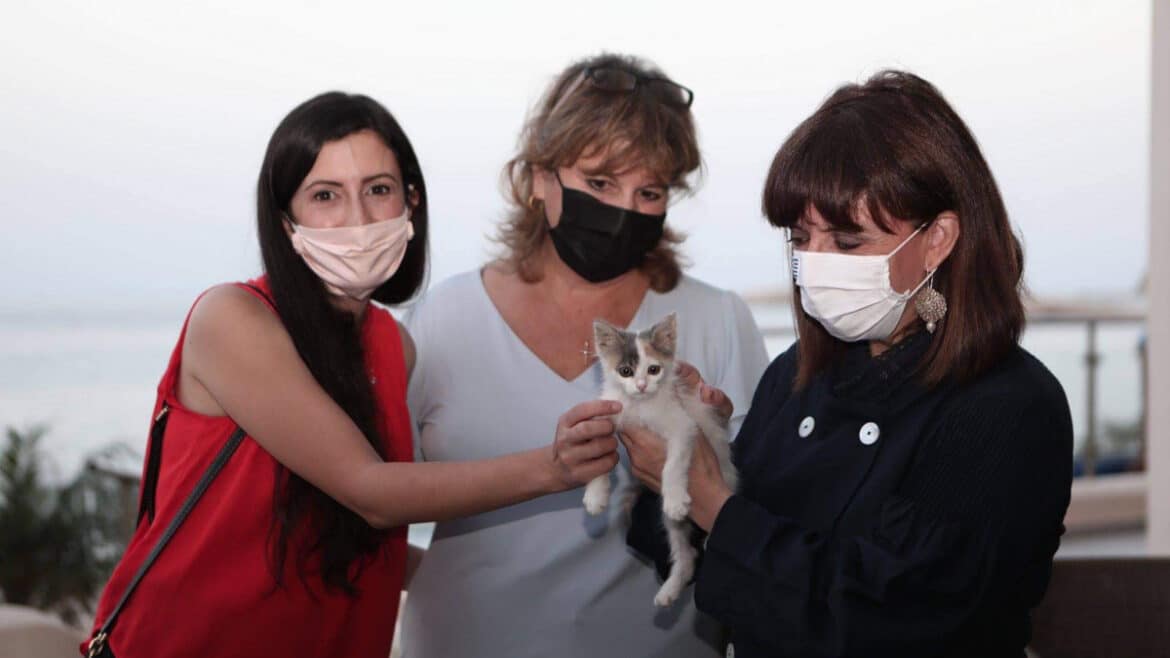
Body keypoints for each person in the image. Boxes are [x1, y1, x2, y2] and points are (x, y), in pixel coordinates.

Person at [82, 92, 619, 658]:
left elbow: (346, 533)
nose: (358, 219)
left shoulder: (395, 346)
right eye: (325, 196)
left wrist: (505, 581)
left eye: (378, 190)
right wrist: (551, 467)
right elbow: (370, 492)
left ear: (411, 201)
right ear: (285, 220)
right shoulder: (233, 319)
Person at [622, 70, 1074, 657]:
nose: (814, 263)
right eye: (800, 238)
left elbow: (894, 620)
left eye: (847, 242)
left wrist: (716, 504)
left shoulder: (1008, 407)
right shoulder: (797, 375)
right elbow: (710, 568)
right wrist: (687, 446)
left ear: (938, 239)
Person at [400, 54, 770, 657]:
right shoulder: (445, 319)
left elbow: (756, 524)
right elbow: (368, 501)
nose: (624, 210)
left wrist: (707, 443)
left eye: (649, 191)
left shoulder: (716, 320)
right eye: (600, 183)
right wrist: (458, 589)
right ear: (539, 178)